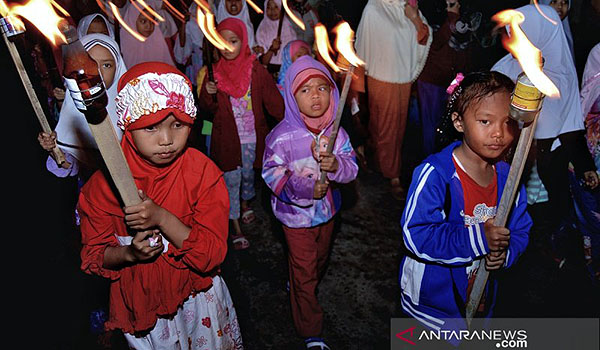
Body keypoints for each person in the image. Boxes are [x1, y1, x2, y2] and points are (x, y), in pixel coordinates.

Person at [78, 61, 243, 349]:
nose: (167, 140)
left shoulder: (201, 173)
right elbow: (95, 255)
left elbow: (212, 255)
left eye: (177, 125)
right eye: (151, 127)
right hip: (144, 310)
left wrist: (162, 218)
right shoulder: (103, 187)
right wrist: (129, 253)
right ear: (128, 125)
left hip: (198, 299)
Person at [399, 71, 531, 340]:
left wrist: (505, 254)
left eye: (508, 123)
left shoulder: (509, 178)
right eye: (485, 121)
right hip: (431, 307)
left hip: (478, 299)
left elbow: (520, 229)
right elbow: (416, 234)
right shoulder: (436, 174)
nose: (498, 133)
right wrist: (480, 239)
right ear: (459, 122)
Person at [262, 55, 358, 350]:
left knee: (318, 260)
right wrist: (304, 187)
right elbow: (271, 173)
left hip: (327, 214)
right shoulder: (281, 138)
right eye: (305, 90)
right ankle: (311, 330)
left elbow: (352, 168)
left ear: (333, 93)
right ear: (291, 97)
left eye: (322, 88)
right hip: (294, 218)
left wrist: (336, 165)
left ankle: (300, 283)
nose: (315, 96)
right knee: (305, 271)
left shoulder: (336, 132)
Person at [492, 4, 599, 263]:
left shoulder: (563, 71)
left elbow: (571, 122)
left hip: (552, 162)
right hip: (514, 163)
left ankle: (548, 254)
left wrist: (585, 166)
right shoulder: (504, 69)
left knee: (548, 214)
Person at [197, 18, 285, 250]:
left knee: (248, 178)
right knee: (230, 183)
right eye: (221, 42)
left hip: (253, 140)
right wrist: (207, 93)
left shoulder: (255, 69)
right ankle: (234, 226)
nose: (227, 47)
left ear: (243, 40)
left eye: (233, 41)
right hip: (226, 142)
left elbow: (274, 102)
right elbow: (207, 110)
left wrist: (292, 121)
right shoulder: (213, 74)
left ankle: (245, 204)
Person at [355, 0, 432, 200]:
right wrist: (357, 86)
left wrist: (414, 18)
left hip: (403, 80)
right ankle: (393, 175)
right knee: (384, 128)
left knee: (396, 129)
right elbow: (363, 44)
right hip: (381, 77)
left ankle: (375, 159)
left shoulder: (408, 7)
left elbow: (423, 36)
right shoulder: (374, 8)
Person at [38, 33, 128, 183]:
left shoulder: (132, 109)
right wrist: (54, 149)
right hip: (97, 195)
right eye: (90, 63)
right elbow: (70, 166)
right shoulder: (75, 109)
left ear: (118, 68)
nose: (98, 72)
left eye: (107, 65)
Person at [416, 0, 478, 158]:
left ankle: (442, 157)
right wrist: (451, 15)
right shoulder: (437, 20)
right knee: (429, 125)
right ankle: (428, 158)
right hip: (430, 82)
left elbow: (464, 66)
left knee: (446, 123)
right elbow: (436, 42)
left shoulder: (464, 26)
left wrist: (453, 89)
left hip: (447, 84)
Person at [119, 2, 177, 68]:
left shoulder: (157, 40)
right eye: (143, 21)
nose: (149, 26)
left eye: (152, 22)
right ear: (132, 22)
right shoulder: (128, 44)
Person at [255, 0, 298, 72]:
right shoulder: (262, 29)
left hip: (287, 69)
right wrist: (272, 49)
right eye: (269, 7)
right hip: (269, 70)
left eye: (276, 7)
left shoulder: (289, 28)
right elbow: (263, 61)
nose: (272, 11)